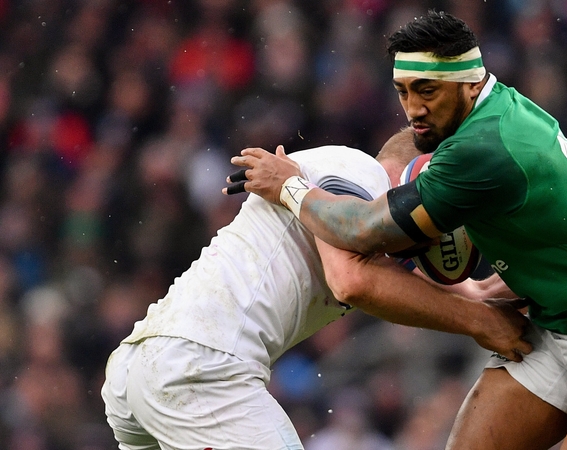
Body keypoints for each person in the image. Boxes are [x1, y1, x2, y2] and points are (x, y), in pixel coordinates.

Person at [224, 10, 567, 450]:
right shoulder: (488, 108)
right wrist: (391, 170)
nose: (413, 108)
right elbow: (410, 139)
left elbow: (365, 232)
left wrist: (290, 187)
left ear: (469, 85)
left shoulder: (482, 149)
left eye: (426, 91)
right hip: (558, 321)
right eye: (403, 91)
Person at [101, 128, 533, 450]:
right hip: (202, 368)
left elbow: (387, 269)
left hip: (146, 367)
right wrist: (480, 322)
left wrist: (480, 297)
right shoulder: (361, 175)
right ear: (422, 173)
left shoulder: (361, 218)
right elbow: (352, 280)